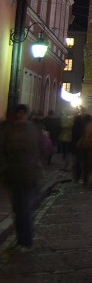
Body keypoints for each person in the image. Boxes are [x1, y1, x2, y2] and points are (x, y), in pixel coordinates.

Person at [0, 105, 44, 252]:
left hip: (26, 174)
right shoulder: (10, 130)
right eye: (18, 113)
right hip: (17, 174)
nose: (20, 116)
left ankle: (26, 241)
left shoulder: (14, 130)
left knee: (23, 210)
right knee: (19, 210)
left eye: (22, 113)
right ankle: (22, 241)